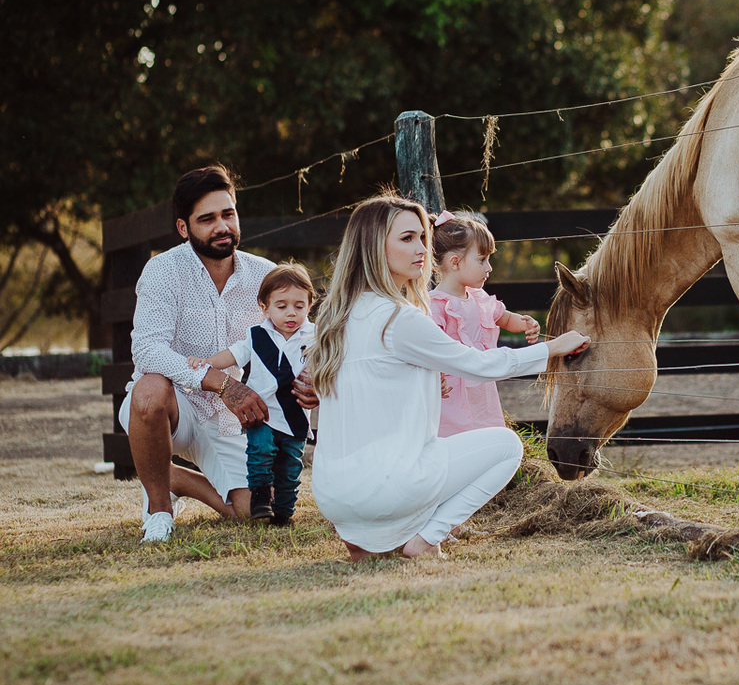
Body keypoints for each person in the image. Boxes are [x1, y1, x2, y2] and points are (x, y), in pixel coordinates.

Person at [306, 193, 589, 561]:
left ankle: (367, 538)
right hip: (385, 487)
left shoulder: (336, 316)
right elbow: (481, 364)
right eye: (407, 239)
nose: (422, 248)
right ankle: (425, 540)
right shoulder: (399, 318)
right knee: (507, 447)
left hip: (333, 494)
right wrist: (552, 349)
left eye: (422, 237)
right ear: (374, 248)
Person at [120, 164, 317, 543]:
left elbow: (301, 343)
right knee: (148, 390)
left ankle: (170, 475)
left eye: (228, 214)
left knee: (259, 511)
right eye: (207, 219)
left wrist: (313, 383)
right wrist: (221, 382)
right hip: (173, 407)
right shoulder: (162, 271)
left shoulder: (267, 275)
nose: (222, 226)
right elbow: (146, 349)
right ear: (184, 228)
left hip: (232, 417)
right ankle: (159, 510)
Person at [187, 262, 317, 525]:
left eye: (299, 306)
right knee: (260, 451)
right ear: (264, 307)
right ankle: (259, 497)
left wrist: (318, 381)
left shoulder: (314, 337)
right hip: (263, 412)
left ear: (309, 305)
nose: (291, 313)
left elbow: (328, 365)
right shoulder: (256, 335)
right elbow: (234, 354)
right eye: (281, 306)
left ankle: (283, 512)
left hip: (295, 417)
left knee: (290, 467)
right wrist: (207, 363)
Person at [429, 210, 540, 436]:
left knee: (485, 432)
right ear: (455, 262)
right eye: (482, 260)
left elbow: (504, 317)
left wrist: (525, 323)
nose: (489, 268)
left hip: (481, 389)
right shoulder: (436, 305)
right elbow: (429, 348)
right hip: (451, 393)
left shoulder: (479, 298)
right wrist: (433, 375)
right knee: (458, 436)